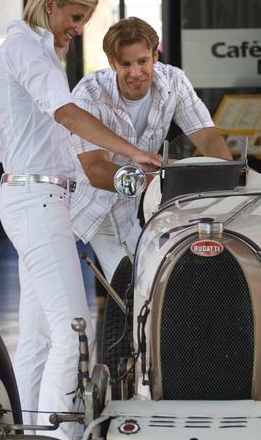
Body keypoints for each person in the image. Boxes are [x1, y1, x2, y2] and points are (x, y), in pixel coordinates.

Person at [0, 0, 162, 440]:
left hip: (44, 197)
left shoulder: (37, 48)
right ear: (51, 4)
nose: (77, 29)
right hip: (37, 199)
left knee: (42, 338)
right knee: (73, 330)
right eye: (75, 17)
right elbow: (65, 114)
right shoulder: (26, 48)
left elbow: (63, 135)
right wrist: (133, 152)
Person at [69, 17, 232, 284]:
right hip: (76, 206)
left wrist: (225, 172)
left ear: (155, 56)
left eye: (142, 61)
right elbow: (96, 171)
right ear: (112, 64)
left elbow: (208, 137)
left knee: (147, 288)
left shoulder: (174, 83)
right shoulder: (90, 94)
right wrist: (166, 181)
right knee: (58, 300)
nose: (135, 73)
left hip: (126, 210)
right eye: (125, 64)